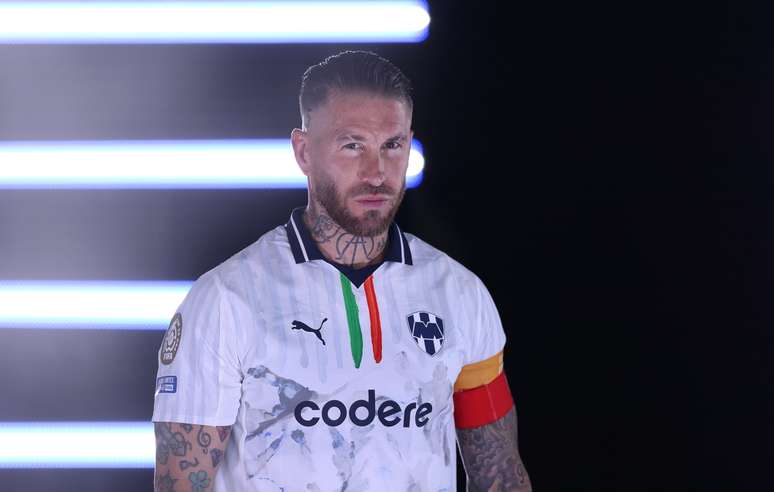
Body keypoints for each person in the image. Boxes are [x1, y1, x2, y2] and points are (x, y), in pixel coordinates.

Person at [152, 50, 531, 492]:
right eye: (353, 145)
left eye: (392, 146)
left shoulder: (461, 294)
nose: (376, 173)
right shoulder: (225, 300)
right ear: (303, 151)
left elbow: (500, 475)